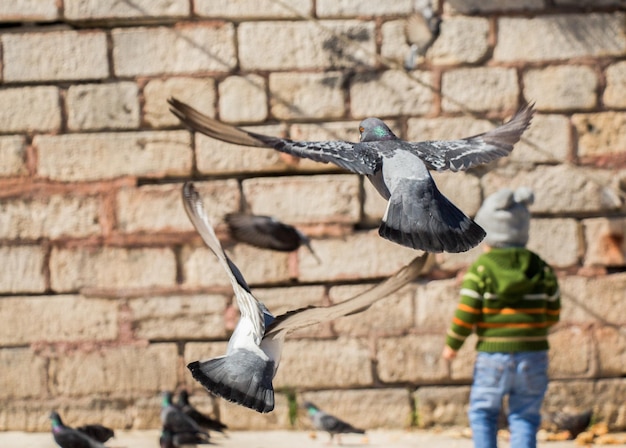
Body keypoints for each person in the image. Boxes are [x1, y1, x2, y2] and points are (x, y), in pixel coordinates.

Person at [442, 187, 561, 448]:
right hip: (533, 354)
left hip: (493, 356)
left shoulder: (481, 269)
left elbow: (466, 312)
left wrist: (452, 345)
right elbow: (553, 309)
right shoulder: (540, 266)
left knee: (483, 413)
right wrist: (539, 328)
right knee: (525, 416)